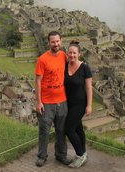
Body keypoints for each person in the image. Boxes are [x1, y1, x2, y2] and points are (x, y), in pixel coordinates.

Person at [35, 31, 70, 167]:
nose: (56, 44)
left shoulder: (63, 56)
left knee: (61, 129)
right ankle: (42, 156)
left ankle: (61, 155)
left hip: (62, 100)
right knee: (44, 130)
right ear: (49, 43)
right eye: (53, 42)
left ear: (61, 41)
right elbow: (38, 81)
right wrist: (38, 102)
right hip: (47, 102)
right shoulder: (42, 59)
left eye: (57, 41)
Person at [64, 40, 93, 168]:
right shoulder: (65, 65)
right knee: (78, 128)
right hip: (68, 102)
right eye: (70, 52)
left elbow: (88, 88)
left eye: (74, 53)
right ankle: (84, 153)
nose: (72, 55)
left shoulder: (84, 67)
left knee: (69, 129)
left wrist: (89, 105)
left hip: (80, 103)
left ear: (79, 54)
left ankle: (80, 155)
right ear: (67, 53)